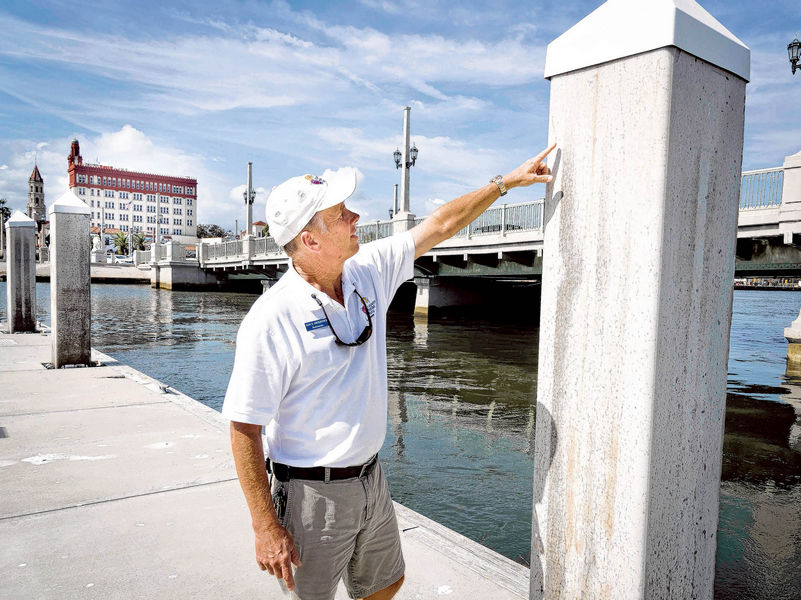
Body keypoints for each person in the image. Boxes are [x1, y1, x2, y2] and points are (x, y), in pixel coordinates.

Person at [222, 143, 556, 600]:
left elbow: (439, 224)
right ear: (310, 239)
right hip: (310, 494)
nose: (356, 217)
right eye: (341, 214)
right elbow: (244, 426)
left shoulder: (367, 272)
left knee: (386, 582)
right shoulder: (271, 318)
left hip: (370, 478)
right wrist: (265, 525)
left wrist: (506, 183)